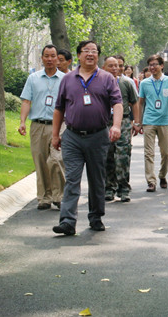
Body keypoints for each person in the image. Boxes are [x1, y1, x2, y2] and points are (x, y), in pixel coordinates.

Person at [51, 40, 122, 235]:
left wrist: (115, 126)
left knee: (96, 178)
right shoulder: (67, 79)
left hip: (98, 136)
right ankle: (67, 220)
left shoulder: (107, 78)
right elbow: (59, 109)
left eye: (94, 51)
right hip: (72, 136)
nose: (90, 54)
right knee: (72, 178)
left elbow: (117, 103)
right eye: (86, 51)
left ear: (98, 55)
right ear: (79, 55)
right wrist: (55, 135)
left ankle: (96, 216)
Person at [18, 45, 65, 210]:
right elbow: (26, 101)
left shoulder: (65, 79)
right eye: (47, 56)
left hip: (59, 126)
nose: (50, 59)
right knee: (40, 161)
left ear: (57, 58)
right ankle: (44, 197)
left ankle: (59, 196)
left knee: (57, 159)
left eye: (53, 56)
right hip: (38, 125)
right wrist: (22, 121)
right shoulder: (33, 78)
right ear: (42, 58)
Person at [103, 56, 140, 203]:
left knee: (123, 155)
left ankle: (123, 188)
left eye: (117, 66)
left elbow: (135, 103)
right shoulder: (100, 82)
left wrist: (137, 122)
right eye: (110, 66)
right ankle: (109, 188)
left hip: (123, 121)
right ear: (104, 67)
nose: (114, 69)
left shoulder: (126, 83)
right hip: (105, 122)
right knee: (107, 155)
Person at [136, 54, 168, 192]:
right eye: (150, 65)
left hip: (164, 121)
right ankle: (151, 181)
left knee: (166, 152)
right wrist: (139, 122)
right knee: (149, 152)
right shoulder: (145, 83)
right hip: (149, 121)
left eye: (155, 64)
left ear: (162, 66)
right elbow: (140, 103)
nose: (152, 67)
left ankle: (162, 175)